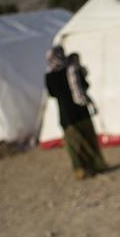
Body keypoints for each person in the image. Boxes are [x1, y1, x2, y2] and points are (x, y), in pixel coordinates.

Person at [45, 46, 107, 179]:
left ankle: (80, 170)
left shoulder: (49, 75)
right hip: (81, 110)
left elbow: (52, 94)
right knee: (89, 139)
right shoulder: (73, 69)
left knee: (74, 144)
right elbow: (85, 85)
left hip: (66, 114)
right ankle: (97, 165)